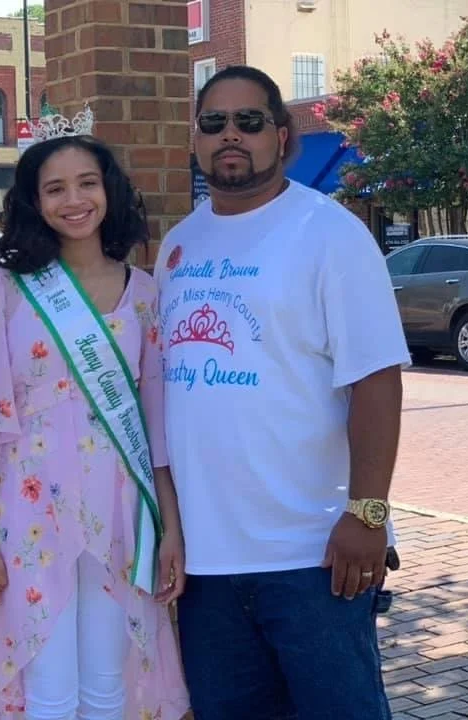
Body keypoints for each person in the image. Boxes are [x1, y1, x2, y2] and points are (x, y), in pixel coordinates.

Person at [154, 65, 409, 719]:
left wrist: (367, 514)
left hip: (312, 554)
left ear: (282, 134)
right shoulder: (178, 245)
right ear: (195, 137)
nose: (230, 135)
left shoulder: (329, 233)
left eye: (249, 121)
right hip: (207, 564)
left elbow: (376, 381)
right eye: (214, 122)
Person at [0, 126, 191, 720]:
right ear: (34, 201)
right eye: (55, 189)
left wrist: (170, 528)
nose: (74, 200)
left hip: (120, 504)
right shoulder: (5, 289)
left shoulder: (143, 293)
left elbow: (155, 425)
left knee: (106, 686)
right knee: (46, 685)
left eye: (87, 183)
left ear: (109, 191)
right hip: (28, 504)